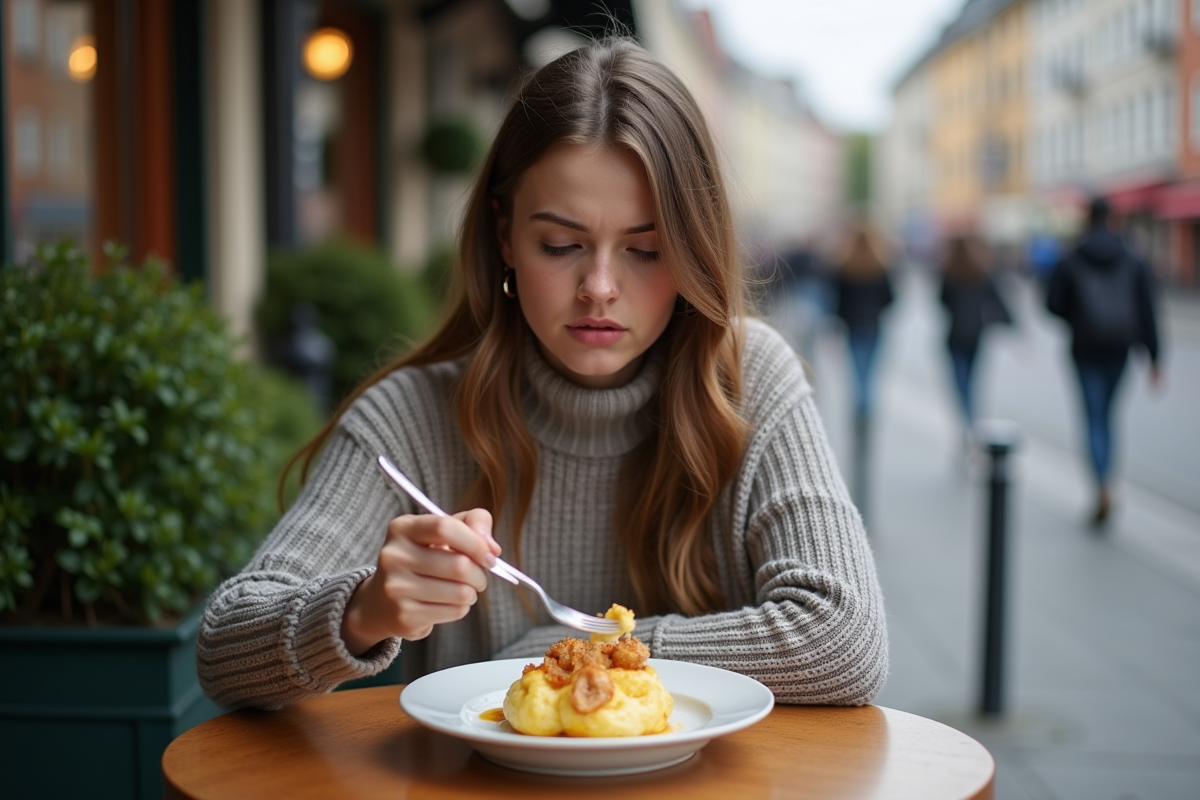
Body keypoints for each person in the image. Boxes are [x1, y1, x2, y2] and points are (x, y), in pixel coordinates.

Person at [197, 38, 888, 710]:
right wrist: (359, 610)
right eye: (561, 245)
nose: (599, 287)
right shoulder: (411, 416)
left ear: (692, 248)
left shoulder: (746, 379)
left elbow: (845, 639)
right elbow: (224, 647)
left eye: (646, 250)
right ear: (504, 236)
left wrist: (572, 648)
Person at [1046, 196, 1162, 527]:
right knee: (1109, 416)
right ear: (1112, 219)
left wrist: (1077, 317)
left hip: (1084, 348)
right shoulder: (1132, 258)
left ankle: (1100, 483)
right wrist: (1154, 357)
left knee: (1093, 417)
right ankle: (1108, 480)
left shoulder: (1071, 256)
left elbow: (1052, 303)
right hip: (1119, 349)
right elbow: (1147, 310)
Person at [831, 222, 894, 517]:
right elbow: (890, 299)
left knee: (857, 372)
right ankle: (867, 407)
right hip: (874, 327)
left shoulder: (844, 265)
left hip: (853, 327)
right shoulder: (880, 264)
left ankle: (860, 407)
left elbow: (836, 301)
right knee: (870, 372)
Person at [937, 234, 1011, 447]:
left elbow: (942, 301)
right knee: (973, 383)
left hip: (955, 336)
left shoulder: (948, 272)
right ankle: (971, 424)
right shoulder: (981, 270)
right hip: (976, 334)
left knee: (960, 385)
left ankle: (966, 425)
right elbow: (997, 299)